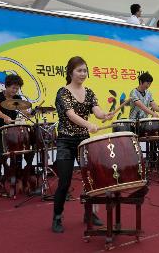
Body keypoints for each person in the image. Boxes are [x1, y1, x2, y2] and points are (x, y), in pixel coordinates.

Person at [52, 56, 114, 233]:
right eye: (79, 70)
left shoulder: (90, 92)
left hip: (84, 142)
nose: (82, 74)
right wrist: (89, 125)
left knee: (91, 180)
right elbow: (71, 115)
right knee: (64, 182)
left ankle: (90, 213)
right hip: (65, 141)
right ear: (70, 72)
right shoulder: (62, 92)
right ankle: (57, 216)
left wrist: (104, 116)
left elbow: (96, 111)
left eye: (85, 70)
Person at [0, 74, 35, 192]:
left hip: (11, 131)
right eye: (13, 88)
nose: (15, 90)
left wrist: (32, 113)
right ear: (7, 86)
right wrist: (5, 117)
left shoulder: (17, 98)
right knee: (0, 154)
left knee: (19, 152)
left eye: (17, 88)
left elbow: (24, 111)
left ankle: (17, 175)